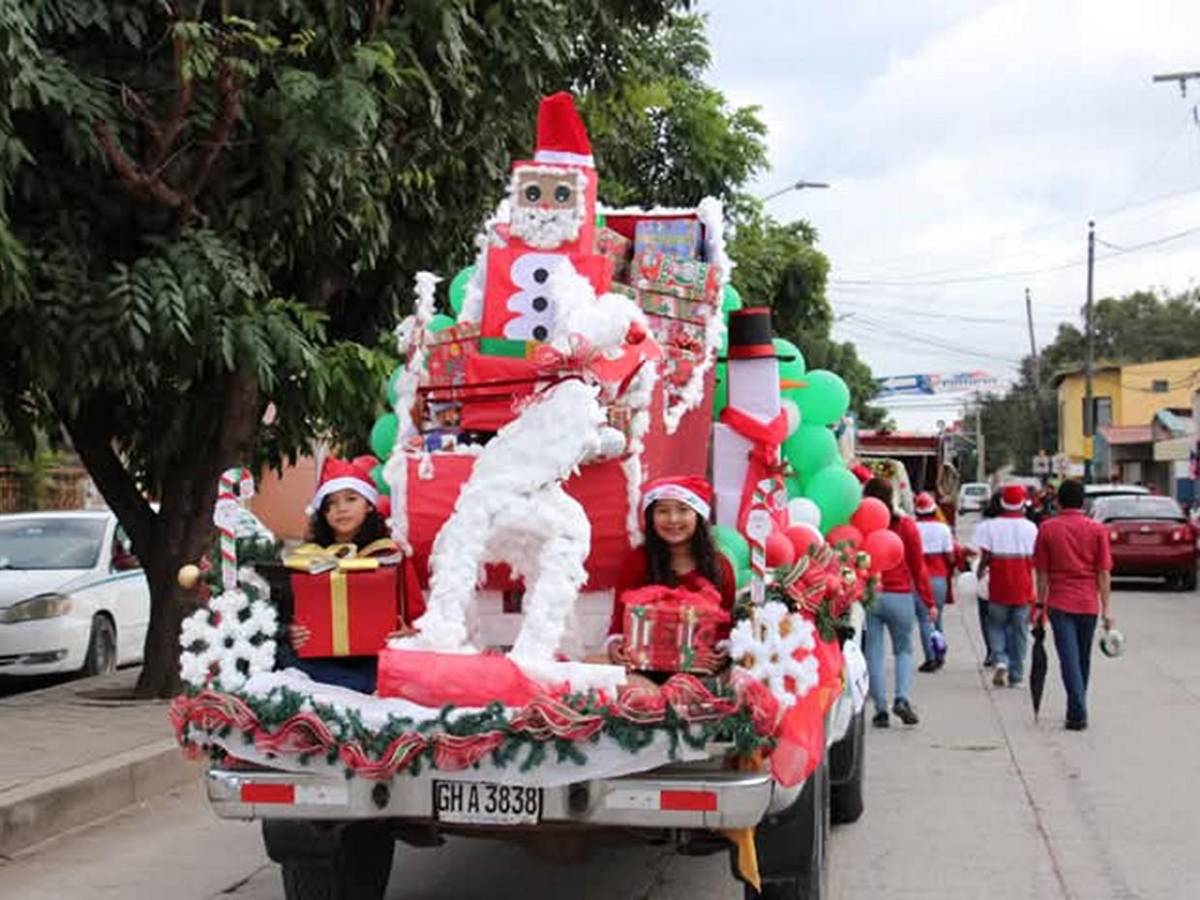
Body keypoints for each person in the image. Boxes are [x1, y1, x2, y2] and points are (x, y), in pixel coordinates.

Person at [284, 454, 415, 693]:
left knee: (398, 666)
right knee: (283, 655)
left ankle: (354, 687)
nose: (341, 509)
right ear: (323, 512)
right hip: (320, 658)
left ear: (369, 504)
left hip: (375, 657)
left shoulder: (390, 554)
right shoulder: (308, 557)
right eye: (331, 503)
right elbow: (295, 613)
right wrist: (293, 632)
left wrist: (409, 633)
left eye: (351, 499)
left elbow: (416, 614)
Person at [606, 476, 734, 666]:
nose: (673, 519)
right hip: (644, 667)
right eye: (663, 511)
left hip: (702, 668)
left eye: (683, 510)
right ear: (652, 518)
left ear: (698, 515)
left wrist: (722, 650)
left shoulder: (720, 565)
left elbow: (726, 622)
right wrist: (615, 644)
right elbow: (620, 617)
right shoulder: (637, 561)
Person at [1032, 479, 1114, 730]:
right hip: (1089, 604)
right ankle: (1077, 706)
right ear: (1083, 503)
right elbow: (1103, 572)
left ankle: (1077, 710)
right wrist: (1107, 609)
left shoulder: (1048, 528)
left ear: (1058, 502)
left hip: (1060, 603)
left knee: (1069, 658)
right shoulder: (1097, 530)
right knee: (1082, 659)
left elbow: (1042, 572)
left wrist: (1039, 604)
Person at [861, 477, 935, 727]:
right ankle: (901, 698)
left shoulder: (861, 526)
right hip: (900, 595)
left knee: (874, 652)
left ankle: (880, 709)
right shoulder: (906, 526)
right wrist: (928, 601)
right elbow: (918, 567)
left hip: (870, 594)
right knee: (903, 650)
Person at [975, 485, 1038, 688]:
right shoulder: (1031, 528)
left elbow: (985, 556)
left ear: (1002, 503)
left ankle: (1000, 659)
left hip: (998, 587)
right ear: (1022, 504)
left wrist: (979, 572)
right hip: (1023, 589)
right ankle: (1016, 676)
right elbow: (1036, 560)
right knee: (1020, 632)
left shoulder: (991, 526)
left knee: (995, 625)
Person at [914, 492, 954, 672]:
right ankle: (940, 653)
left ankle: (930, 658)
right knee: (937, 618)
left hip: (918, 579)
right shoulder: (943, 529)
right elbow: (950, 556)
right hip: (938, 578)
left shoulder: (913, 527)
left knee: (924, 619)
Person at [972, 492, 1004, 666]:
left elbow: (976, 550)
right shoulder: (1021, 524)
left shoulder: (984, 526)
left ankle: (992, 650)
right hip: (1010, 575)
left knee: (986, 616)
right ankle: (1003, 651)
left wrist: (978, 570)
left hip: (986, 574)